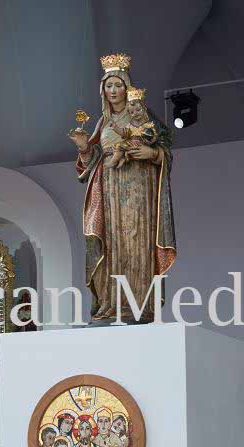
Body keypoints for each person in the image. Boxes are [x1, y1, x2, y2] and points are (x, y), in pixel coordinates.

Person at [69, 52, 176, 324]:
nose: (114, 90)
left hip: (139, 186)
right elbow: (91, 162)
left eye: (118, 85)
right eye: (109, 85)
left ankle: (139, 305)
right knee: (111, 242)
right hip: (109, 187)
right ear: (102, 90)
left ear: (127, 87)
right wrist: (84, 148)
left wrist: (152, 154)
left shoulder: (141, 114)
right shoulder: (103, 122)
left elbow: (165, 148)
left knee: (136, 238)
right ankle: (111, 303)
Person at [109, 86, 158, 169]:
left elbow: (154, 137)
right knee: (119, 146)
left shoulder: (148, 125)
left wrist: (149, 139)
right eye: (132, 112)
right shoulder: (130, 125)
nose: (135, 113)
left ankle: (123, 158)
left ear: (144, 109)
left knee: (132, 151)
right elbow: (124, 133)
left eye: (138, 110)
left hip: (141, 146)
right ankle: (116, 160)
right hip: (130, 144)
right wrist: (115, 128)